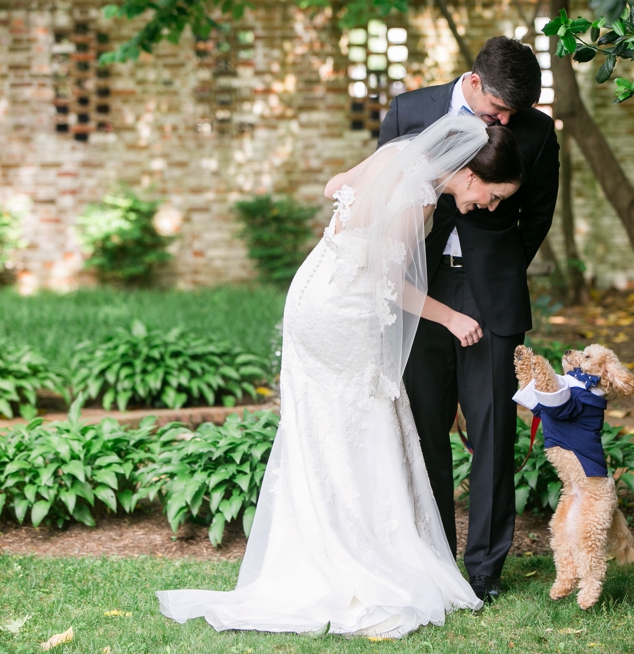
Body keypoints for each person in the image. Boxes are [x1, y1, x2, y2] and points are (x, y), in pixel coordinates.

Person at [155, 113, 524, 639]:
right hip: (343, 311)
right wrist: (451, 316)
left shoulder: (397, 158)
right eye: (492, 196)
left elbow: (335, 186)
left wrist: (359, 213)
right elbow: (385, 276)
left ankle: (323, 545)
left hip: (315, 287)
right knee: (363, 418)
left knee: (326, 426)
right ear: (468, 175)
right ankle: (355, 557)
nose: (489, 207)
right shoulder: (419, 195)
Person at [378, 36, 560, 603]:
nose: (506, 120)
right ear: (474, 81)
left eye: (515, 113)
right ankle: (434, 558)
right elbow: (384, 193)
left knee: (492, 430)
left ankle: (485, 568)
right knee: (427, 425)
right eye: (500, 108)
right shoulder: (410, 111)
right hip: (418, 289)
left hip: (493, 293)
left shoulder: (534, 129)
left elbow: (537, 217)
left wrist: (496, 271)